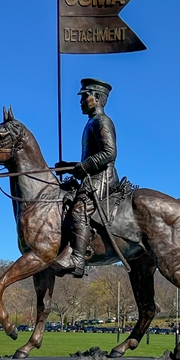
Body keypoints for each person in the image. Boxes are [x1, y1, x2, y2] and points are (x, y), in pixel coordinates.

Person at [52, 78, 119, 277]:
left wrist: (83, 166)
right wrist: (69, 166)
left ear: (97, 98)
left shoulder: (101, 121)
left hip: (102, 177)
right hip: (92, 176)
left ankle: (77, 258)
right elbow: (91, 157)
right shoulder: (91, 122)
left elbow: (109, 152)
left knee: (79, 209)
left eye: (84, 97)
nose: (81, 101)